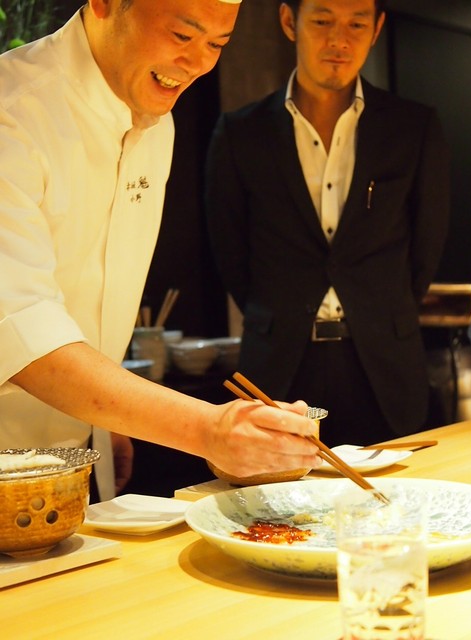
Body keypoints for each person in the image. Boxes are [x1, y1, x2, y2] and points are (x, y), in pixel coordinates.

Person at [0, 0, 321, 501]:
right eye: (182, 35)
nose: (198, 62)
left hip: (72, 465)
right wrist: (209, 430)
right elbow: (20, 328)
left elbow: (95, 293)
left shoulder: (155, 121)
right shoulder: (13, 109)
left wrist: (111, 418)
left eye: (217, 44)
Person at [205, 0, 450, 448]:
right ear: (289, 21)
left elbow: (426, 247)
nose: (339, 40)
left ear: (376, 29)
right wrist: (279, 313)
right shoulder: (241, 133)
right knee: (278, 491)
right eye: (322, 21)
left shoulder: (412, 127)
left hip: (384, 365)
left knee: (396, 488)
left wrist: (380, 310)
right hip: (281, 365)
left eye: (356, 24)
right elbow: (230, 254)